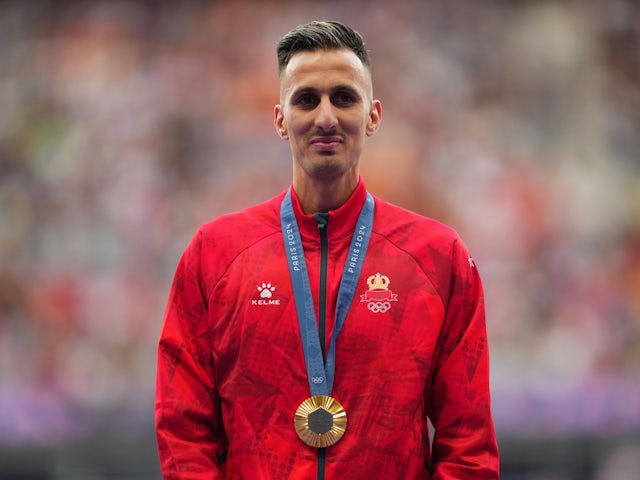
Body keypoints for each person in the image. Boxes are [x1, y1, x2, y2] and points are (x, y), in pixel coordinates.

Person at [155, 20, 500, 479]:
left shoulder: (437, 258)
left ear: (373, 116)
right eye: (305, 99)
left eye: (343, 97)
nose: (325, 117)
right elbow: (184, 428)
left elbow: (469, 443)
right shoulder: (215, 254)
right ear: (280, 119)